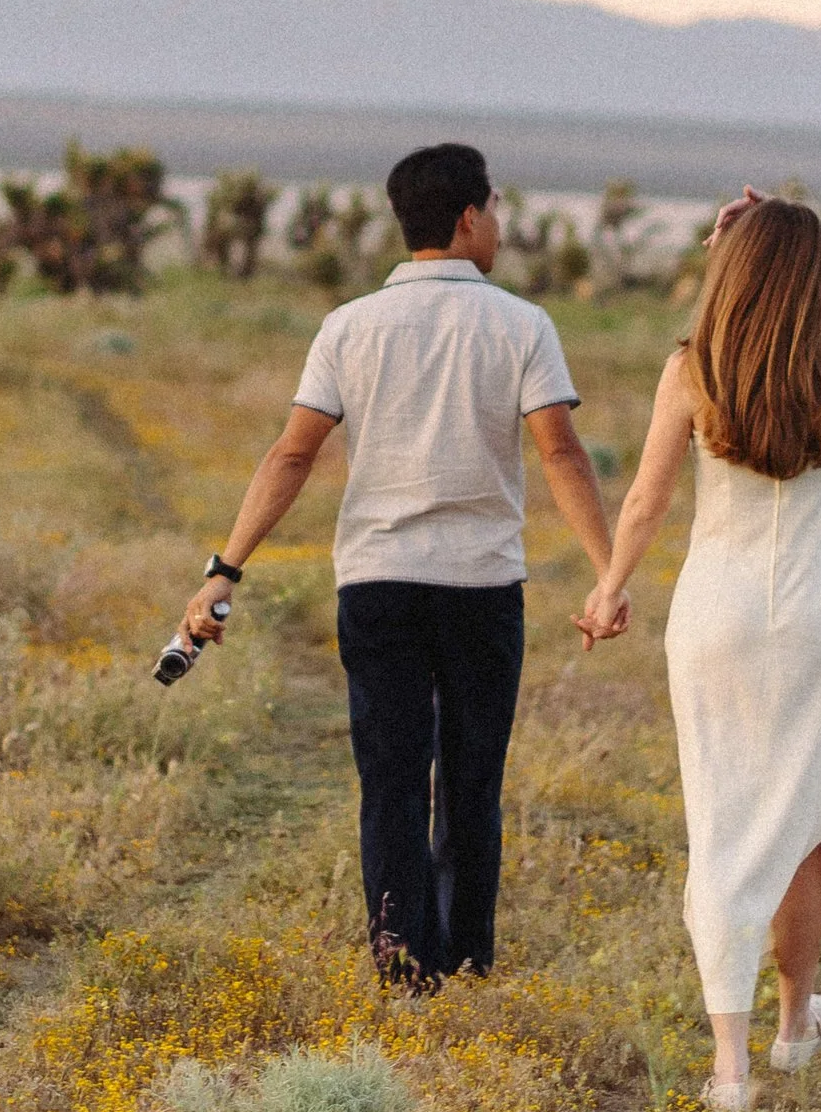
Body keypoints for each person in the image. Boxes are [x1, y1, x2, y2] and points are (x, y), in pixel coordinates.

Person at [181, 141, 621, 983]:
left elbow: (291, 455)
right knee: (470, 785)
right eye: (492, 210)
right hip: (482, 589)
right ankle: (466, 967)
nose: (497, 226)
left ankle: (400, 972)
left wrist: (224, 568)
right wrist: (608, 572)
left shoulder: (348, 326)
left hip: (377, 586)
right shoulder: (523, 324)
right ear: (466, 218)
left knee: (390, 784)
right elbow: (561, 454)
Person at [580, 189, 821, 1111]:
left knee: (720, 821)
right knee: (804, 823)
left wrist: (609, 585)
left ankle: (730, 1069)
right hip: (818, 616)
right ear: (801, 276)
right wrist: (793, 222)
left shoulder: (691, 369)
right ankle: (794, 1030)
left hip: (716, 619)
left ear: (726, 269)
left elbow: (644, 501)